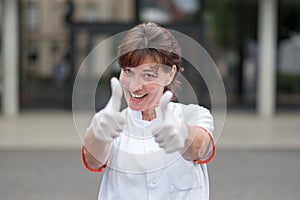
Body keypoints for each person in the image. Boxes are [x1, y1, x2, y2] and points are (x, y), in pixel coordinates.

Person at [82, 22, 215, 200]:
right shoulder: (112, 123)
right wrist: (99, 135)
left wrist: (181, 134)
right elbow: (93, 159)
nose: (135, 86)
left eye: (148, 75)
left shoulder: (194, 115)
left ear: (169, 74)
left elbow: (199, 148)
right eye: (128, 71)